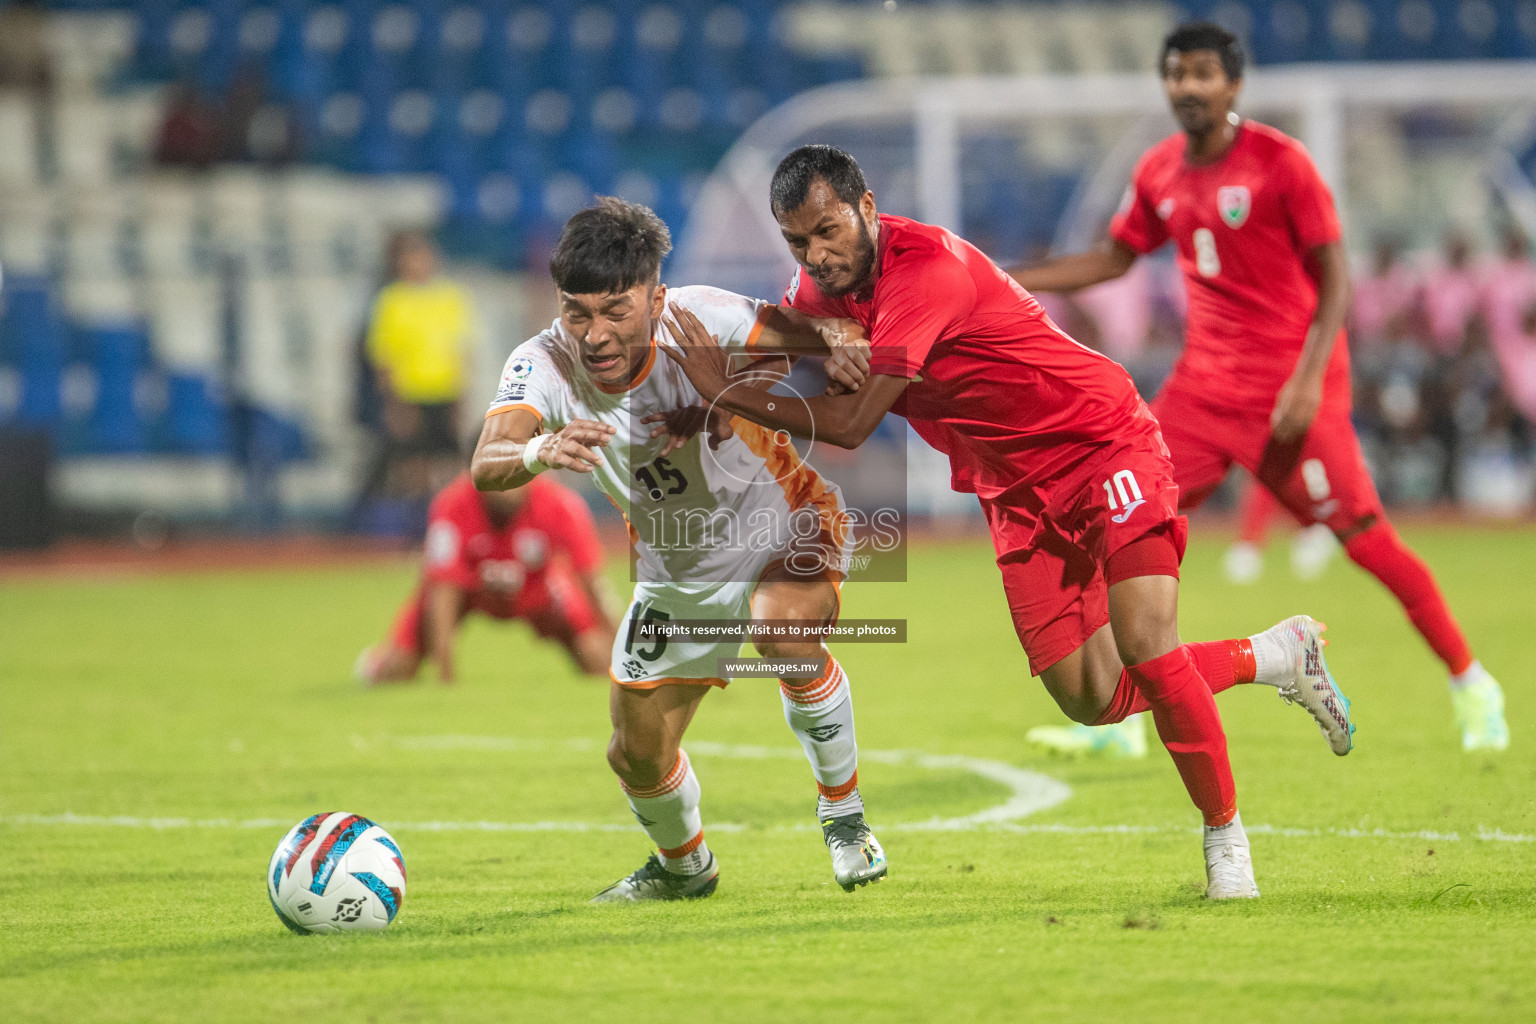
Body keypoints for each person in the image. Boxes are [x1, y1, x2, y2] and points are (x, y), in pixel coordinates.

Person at [659, 144, 1354, 900]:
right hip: (1015, 494)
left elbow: (854, 424)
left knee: (1148, 648)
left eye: (829, 231)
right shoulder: (819, 291)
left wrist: (722, 394)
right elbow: (797, 333)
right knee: (1092, 697)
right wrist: (786, 359)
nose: (817, 255)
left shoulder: (927, 271)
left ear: (865, 207)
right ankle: (1275, 654)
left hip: (1101, 443)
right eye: (799, 242)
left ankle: (1226, 841)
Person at [1009, 23, 1508, 753]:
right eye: (1176, 73)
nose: (1187, 86)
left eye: (1203, 73)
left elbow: (1336, 276)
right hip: (1201, 396)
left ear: (1233, 84)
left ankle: (1472, 682)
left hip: (1290, 396)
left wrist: (1310, 382)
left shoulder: (1281, 163)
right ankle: (1123, 720)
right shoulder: (1159, 171)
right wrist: (1006, 281)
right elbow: (1116, 257)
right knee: (1118, 525)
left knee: (1367, 540)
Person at [470, 197, 887, 901]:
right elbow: (488, 461)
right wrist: (541, 446)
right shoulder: (540, 361)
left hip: (779, 524)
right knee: (635, 754)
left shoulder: (703, 317)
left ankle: (844, 818)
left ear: (655, 299)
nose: (594, 334)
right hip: (676, 571)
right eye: (577, 312)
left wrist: (837, 339)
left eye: (615, 311)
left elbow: (811, 331)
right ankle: (684, 870)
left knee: (780, 631)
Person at [355, 472, 617, 684]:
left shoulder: (561, 504)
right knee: (397, 670)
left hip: (538, 590)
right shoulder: (452, 504)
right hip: (470, 592)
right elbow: (444, 590)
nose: (507, 484)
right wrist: (446, 676)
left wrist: (623, 651)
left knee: (600, 660)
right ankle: (375, 662)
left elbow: (591, 581)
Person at [357, 232, 478, 517]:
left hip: (445, 392)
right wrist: (393, 402)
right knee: (413, 465)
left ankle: (452, 518)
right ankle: (414, 523)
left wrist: (462, 396)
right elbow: (382, 356)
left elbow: (462, 349)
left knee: (450, 463)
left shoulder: (451, 298)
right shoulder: (390, 301)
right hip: (409, 394)